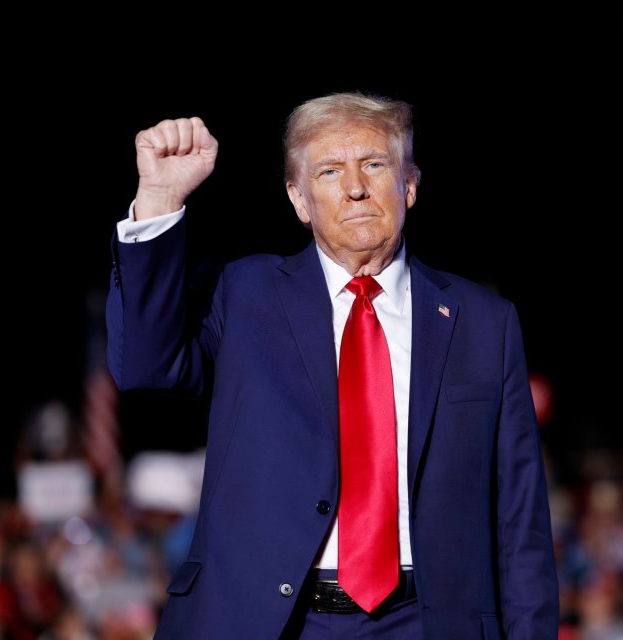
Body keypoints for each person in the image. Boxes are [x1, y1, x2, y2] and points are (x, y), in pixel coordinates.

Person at [106, 92, 558, 639]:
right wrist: (158, 198)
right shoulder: (244, 294)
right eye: (328, 170)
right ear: (299, 200)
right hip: (271, 622)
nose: (355, 187)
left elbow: (519, 522)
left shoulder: (485, 321)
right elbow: (144, 366)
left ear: (409, 184)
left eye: (374, 163)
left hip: (429, 622)